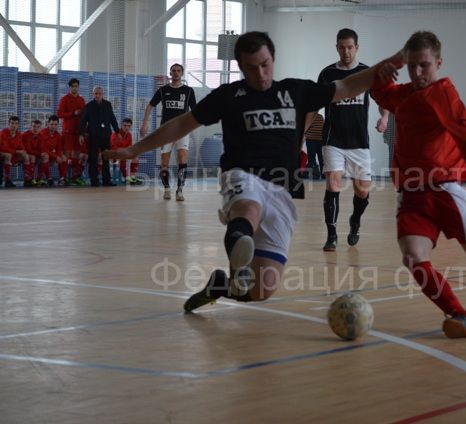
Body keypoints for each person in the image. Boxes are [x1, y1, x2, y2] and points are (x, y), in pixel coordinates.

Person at [104, 31, 398, 311]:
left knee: (261, 290)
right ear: (240, 67)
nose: (260, 74)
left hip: (282, 188)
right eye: (251, 68)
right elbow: (182, 123)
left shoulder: (296, 91)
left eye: (265, 64)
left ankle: (221, 285)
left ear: (273, 58)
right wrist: (135, 149)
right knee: (249, 209)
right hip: (242, 175)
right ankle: (239, 250)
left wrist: (394, 62)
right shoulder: (229, 96)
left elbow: (347, 86)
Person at [370, 31, 466, 339]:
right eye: (412, 66)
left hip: (445, 191)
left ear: (439, 63)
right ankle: (459, 314)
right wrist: (384, 72)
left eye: (424, 65)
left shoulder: (443, 91)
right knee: (413, 257)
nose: (418, 72)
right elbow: (381, 94)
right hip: (412, 194)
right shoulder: (403, 95)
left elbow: (460, 120)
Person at [315, 29, 389, 251]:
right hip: (332, 138)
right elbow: (313, 105)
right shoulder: (327, 74)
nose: (346, 51)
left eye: (350, 47)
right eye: (342, 47)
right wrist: (301, 133)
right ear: (336, 47)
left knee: (362, 191)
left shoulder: (367, 73)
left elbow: (382, 100)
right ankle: (331, 235)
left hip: (358, 141)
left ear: (357, 47)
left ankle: (355, 220)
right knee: (333, 184)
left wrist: (384, 118)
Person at [141, 63, 197, 201]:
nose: (176, 72)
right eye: (173, 70)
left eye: (178, 70)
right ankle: (166, 189)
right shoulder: (163, 90)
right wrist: (145, 123)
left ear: (182, 73)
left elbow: (195, 110)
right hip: (165, 130)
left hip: (182, 130)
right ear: (170, 73)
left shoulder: (188, 91)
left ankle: (179, 190)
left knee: (182, 157)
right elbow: (150, 105)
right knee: (164, 161)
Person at [79, 86, 120, 187]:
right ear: (93, 94)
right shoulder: (88, 106)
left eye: (99, 93)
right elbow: (83, 121)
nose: (97, 95)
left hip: (105, 135)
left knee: (106, 157)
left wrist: (117, 131)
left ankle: (107, 180)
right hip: (93, 136)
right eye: (96, 94)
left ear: (103, 94)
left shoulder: (108, 104)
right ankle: (94, 181)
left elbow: (112, 118)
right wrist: (81, 134)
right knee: (93, 159)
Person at [56, 78, 86, 185]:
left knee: (77, 155)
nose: (74, 88)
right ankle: (63, 178)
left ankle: (75, 177)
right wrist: (73, 113)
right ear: (69, 87)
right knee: (67, 154)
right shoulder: (64, 99)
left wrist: (83, 130)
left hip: (78, 132)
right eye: (72, 86)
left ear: (78, 87)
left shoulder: (81, 100)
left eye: (76, 86)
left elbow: (84, 115)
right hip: (68, 131)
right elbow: (59, 114)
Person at [0, 116, 31, 187]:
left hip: (13, 154)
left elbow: (21, 146)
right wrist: (16, 151)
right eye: (12, 123)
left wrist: (22, 151)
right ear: (9, 124)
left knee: (26, 156)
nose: (14, 125)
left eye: (16, 123)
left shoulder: (19, 134)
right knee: (8, 155)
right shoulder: (3, 132)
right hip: (2, 154)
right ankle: (7, 180)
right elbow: (2, 147)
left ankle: (27, 180)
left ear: (18, 125)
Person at [37, 115, 67, 186]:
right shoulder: (42, 133)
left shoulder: (58, 135)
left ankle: (62, 178)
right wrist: (55, 157)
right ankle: (42, 178)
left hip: (51, 155)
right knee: (46, 156)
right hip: (40, 154)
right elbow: (43, 149)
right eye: (52, 124)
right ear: (48, 124)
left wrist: (58, 156)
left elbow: (59, 149)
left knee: (63, 157)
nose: (53, 126)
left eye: (55, 124)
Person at [110, 118, 141, 185]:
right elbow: (112, 146)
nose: (127, 127)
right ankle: (127, 177)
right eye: (125, 125)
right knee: (123, 157)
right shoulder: (115, 134)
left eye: (129, 126)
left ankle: (132, 177)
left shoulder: (129, 135)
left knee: (135, 157)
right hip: (113, 154)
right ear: (121, 125)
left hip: (123, 154)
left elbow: (130, 147)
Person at [304, 112, 324, 180]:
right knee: (320, 159)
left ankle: (310, 175)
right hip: (319, 140)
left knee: (311, 159)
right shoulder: (320, 117)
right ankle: (322, 176)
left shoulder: (308, 117)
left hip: (311, 140)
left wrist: (306, 135)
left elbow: (305, 128)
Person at [21, 119, 42, 186]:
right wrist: (39, 154)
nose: (35, 129)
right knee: (32, 157)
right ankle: (28, 179)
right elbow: (28, 150)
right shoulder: (26, 135)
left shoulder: (40, 136)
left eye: (38, 127)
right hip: (23, 154)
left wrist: (42, 154)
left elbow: (42, 148)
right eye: (34, 126)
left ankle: (39, 179)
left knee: (45, 157)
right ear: (30, 127)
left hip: (34, 154)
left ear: (40, 128)